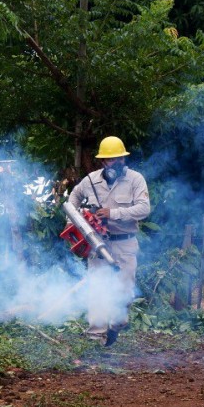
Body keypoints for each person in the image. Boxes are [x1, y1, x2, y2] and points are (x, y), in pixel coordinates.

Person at [68, 136, 150, 346]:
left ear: (123, 159)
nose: (110, 163)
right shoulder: (90, 180)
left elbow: (144, 209)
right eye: (107, 160)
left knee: (125, 292)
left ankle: (116, 326)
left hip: (124, 244)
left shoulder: (135, 180)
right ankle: (96, 336)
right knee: (97, 289)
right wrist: (74, 222)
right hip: (98, 244)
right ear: (102, 161)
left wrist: (113, 213)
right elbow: (72, 200)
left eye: (115, 159)